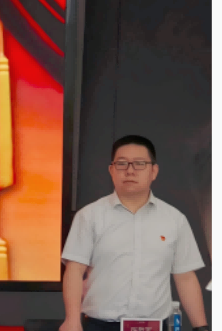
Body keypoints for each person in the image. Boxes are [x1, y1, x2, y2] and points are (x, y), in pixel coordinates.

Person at [60, 135, 208, 331]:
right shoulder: (89, 216)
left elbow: (185, 277)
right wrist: (72, 320)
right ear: (111, 170)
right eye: (122, 164)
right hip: (99, 325)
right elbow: (74, 270)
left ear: (153, 171)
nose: (130, 171)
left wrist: (200, 327)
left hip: (155, 327)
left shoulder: (174, 219)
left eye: (139, 164)